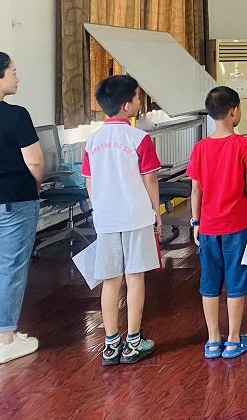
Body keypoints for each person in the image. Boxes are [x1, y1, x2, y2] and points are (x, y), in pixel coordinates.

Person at [82, 75, 162, 366]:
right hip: (136, 216)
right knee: (135, 277)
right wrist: (156, 212)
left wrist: (99, 209)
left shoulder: (91, 141)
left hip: (105, 219)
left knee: (110, 280)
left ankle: (110, 344)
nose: (140, 102)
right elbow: (150, 179)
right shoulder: (139, 138)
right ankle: (133, 343)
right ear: (127, 105)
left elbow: (89, 181)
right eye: (138, 98)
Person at [187, 86, 247, 359]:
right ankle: (233, 340)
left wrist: (196, 222)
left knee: (209, 282)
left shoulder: (199, 149)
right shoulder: (246, 146)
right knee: (236, 280)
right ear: (234, 111)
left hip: (209, 227)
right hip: (238, 227)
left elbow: (195, 190)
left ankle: (212, 341)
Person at [0, 53, 44, 364]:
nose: (17, 78)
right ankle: (5, 339)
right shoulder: (16, 115)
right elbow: (35, 162)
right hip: (15, 200)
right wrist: (37, 185)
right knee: (11, 267)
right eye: (13, 72)